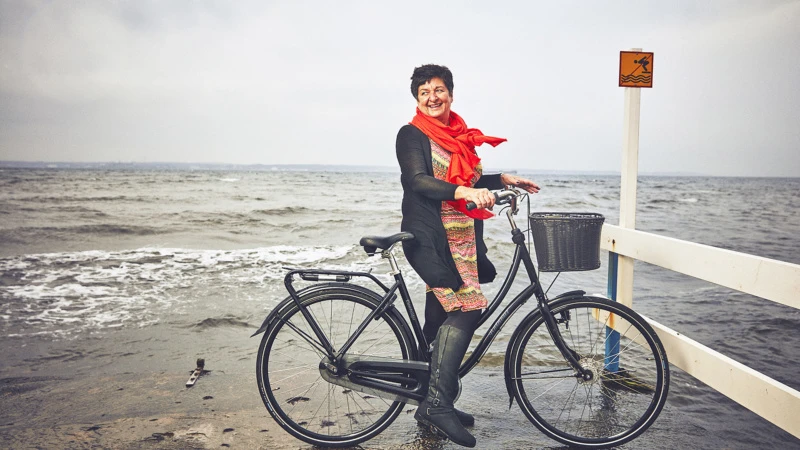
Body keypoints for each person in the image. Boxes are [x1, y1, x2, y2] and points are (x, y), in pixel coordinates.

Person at [396, 64, 539, 447]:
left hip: (462, 240)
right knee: (468, 308)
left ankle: (429, 400)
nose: (432, 97)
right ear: (417, 98)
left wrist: (501, 179)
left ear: (451, 94)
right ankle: (439, 406)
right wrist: (464, 193)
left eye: (438, 89)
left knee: (437, 320)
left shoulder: (456, 135)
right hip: (432, 238)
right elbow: (419, 181)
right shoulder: (411, 134)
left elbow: (469, 180)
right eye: (424, 91)